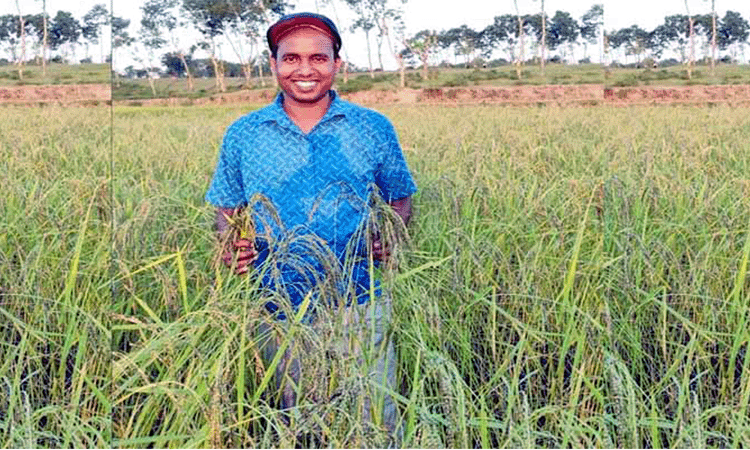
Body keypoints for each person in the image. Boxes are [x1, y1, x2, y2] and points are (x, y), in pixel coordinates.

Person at [204, 12, 417, 442]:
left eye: (318, 57)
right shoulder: (244, 133)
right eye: (291, 58)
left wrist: (389, 233)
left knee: (375, 414)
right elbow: (226, 206)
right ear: (274, 63)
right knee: (299, 417)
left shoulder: (372, 128)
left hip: (361, 297)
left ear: (337, 63)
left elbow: (400, 195)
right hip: (278, 301)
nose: (305, 70)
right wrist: (231, 243)